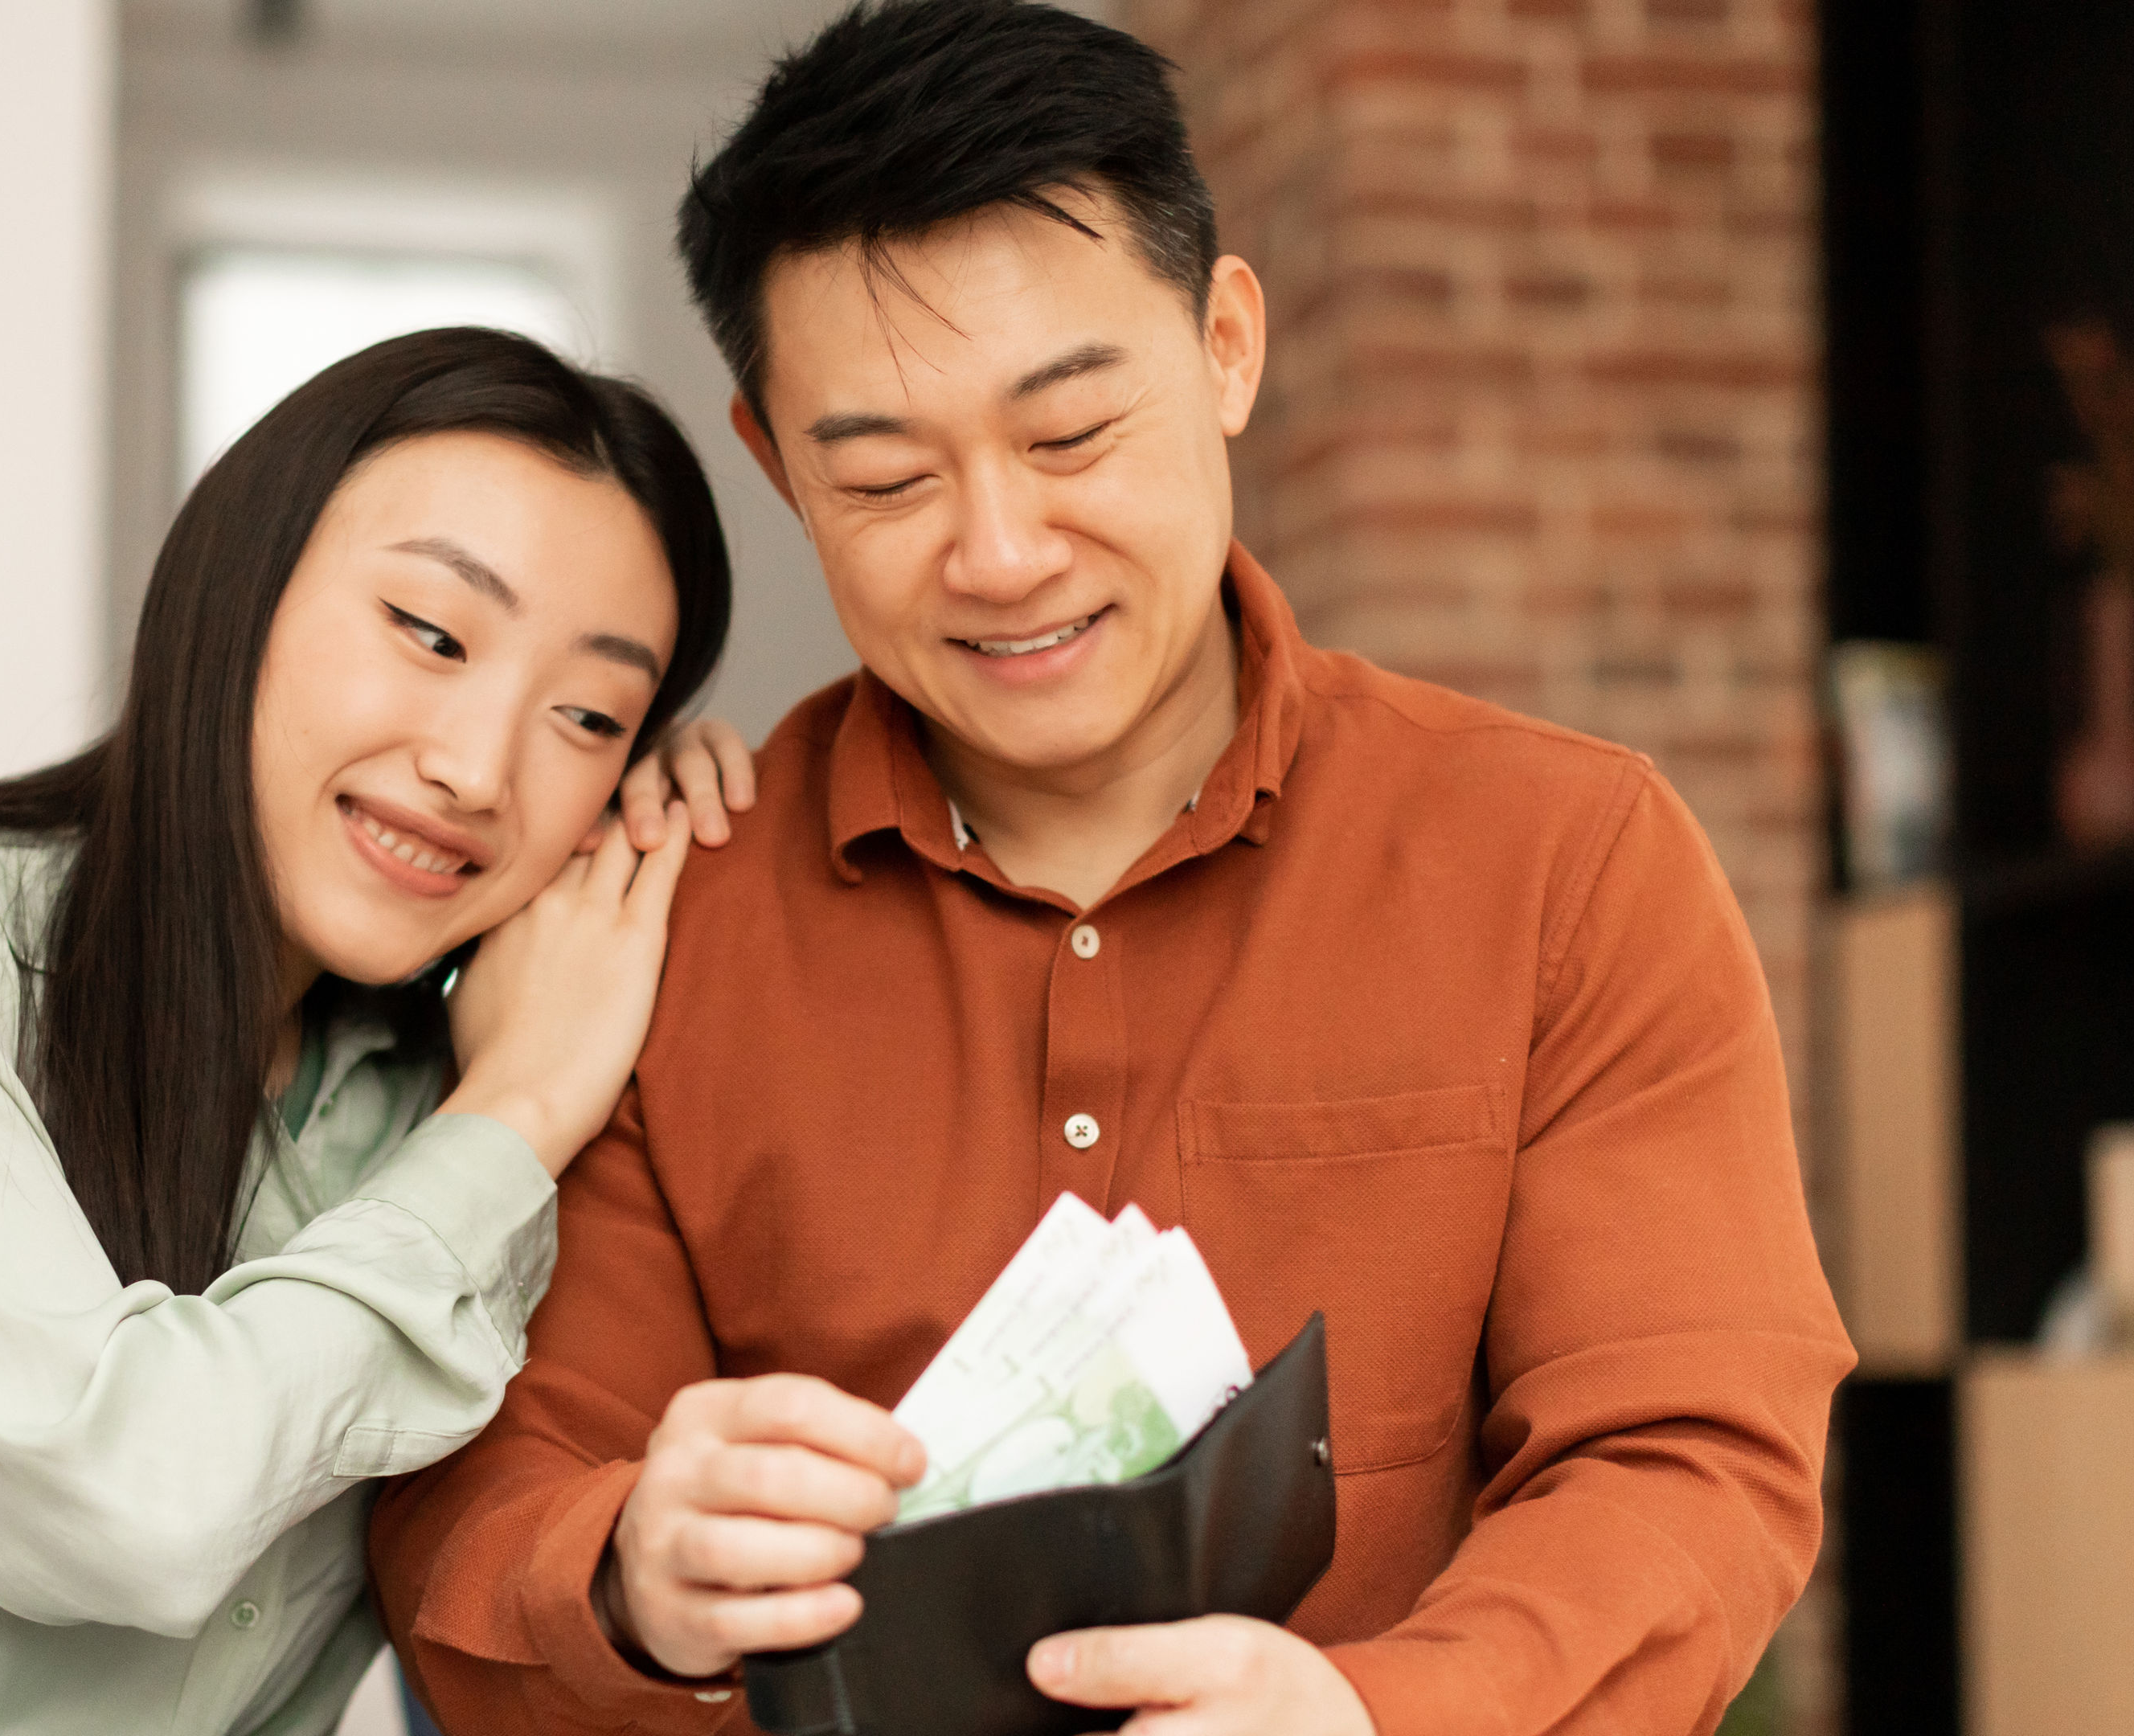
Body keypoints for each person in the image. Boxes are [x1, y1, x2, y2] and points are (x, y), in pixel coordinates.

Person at [370, 6, 1854, 1734]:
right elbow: (476, 1507)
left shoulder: (1567, 862)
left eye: (1070, 438)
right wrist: (625, 1569)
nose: (1000, 554)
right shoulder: (657, 916)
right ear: (777, 465)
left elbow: (1685, 1451)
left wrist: (1389, 1719)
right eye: (886, 475)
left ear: (1226, 346)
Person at [0, 327, 761, 1736]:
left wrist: (707, 877)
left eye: (588, 717)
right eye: (429, 632)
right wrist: (517, 1110)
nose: (476, 767)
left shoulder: (431, 1103)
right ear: (241, 585)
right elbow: (116, 1502)